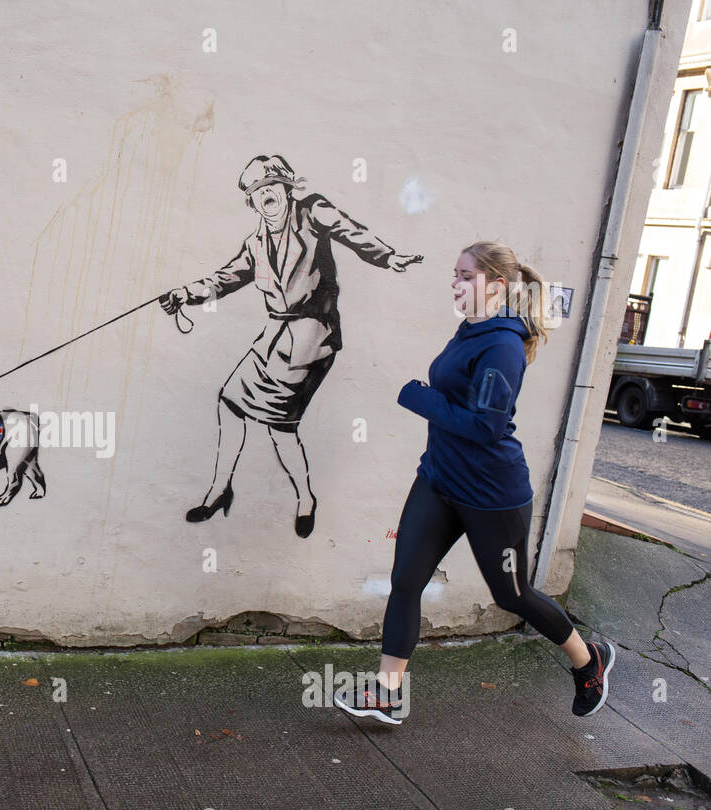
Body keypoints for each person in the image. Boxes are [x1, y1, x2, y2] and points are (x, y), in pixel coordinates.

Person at [335, 241, 615, 725]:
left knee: (512, 596)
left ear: (496, 285)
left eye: (465, 275)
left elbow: (485, 425)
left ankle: (588, 660)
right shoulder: (471, 330)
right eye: (455, 274)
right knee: (405, 580)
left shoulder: (502, 345)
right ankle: (387, 692)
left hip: (492, 495)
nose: (455, 283)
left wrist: (416, 398)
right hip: (439, 480)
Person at [159, 154, 422, 534]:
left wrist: (389, 257)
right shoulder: (256, 243)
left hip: (313, 338)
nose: (266, 195)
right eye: (257, 192)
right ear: (251, 202)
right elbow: (224, 279)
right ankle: (221, 489)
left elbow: (351, 231)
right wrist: (185, 294)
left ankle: (304, 499)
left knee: (280, 426)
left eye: (272, 187)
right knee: (230, 402)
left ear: (286, 189)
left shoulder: (312, 214)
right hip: (274, 339)